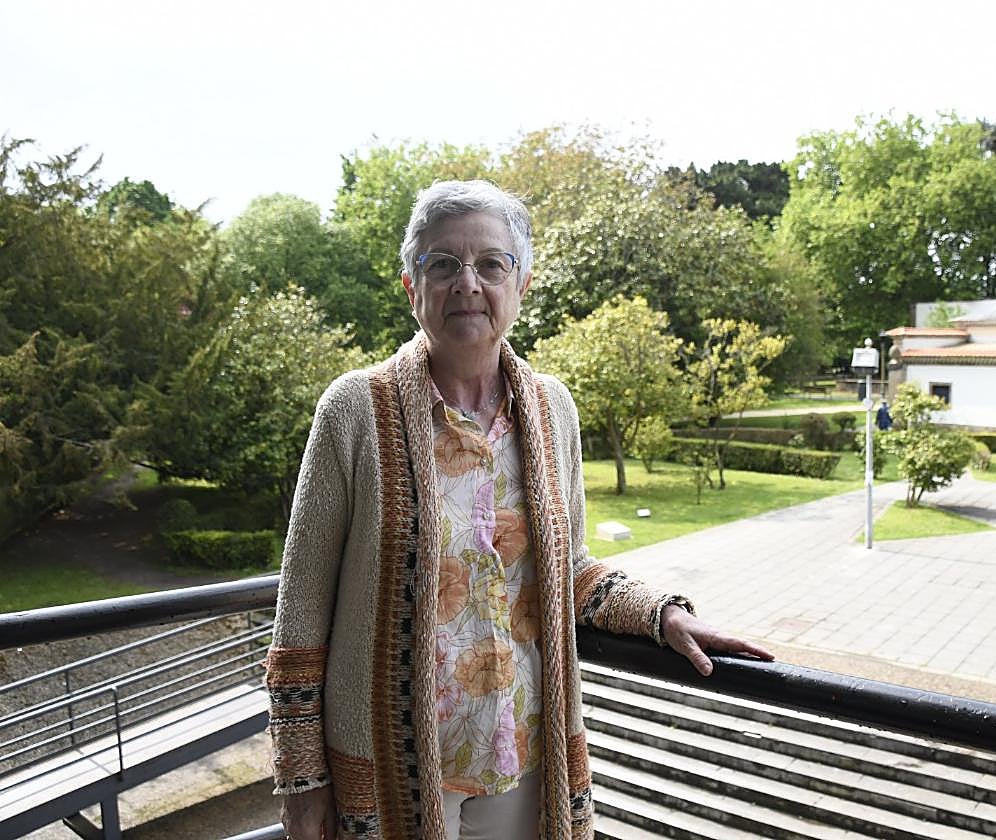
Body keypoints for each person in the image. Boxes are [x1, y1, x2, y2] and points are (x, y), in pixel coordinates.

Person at [265, 180, 773, 840]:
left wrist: (661, 614)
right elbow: (301, 611)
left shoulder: (553, 409)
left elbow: (571, 568)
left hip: (525, 756)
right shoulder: (353, 410)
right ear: (411, 286)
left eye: (491, 264)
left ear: (522, 285)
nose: (466, 283)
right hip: (389, 768)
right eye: (442, 264)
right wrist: (302, 782)